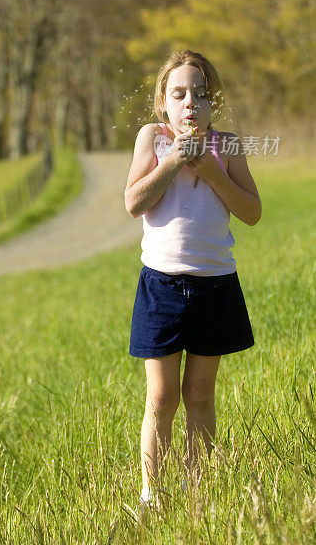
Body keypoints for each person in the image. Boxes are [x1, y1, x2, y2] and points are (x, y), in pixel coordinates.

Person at [123, 49, 261, 507]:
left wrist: (211, 171)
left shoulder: (229, 146)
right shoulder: (153, 138)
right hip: (162, 287)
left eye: (200, 95)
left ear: (212, 103)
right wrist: (172, 164)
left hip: (215, 284)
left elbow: (251, 212)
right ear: (163, 101)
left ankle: (198, 489)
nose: (190, 104)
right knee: (161, 398)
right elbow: (134, 201)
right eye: (179, 94)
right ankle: (152, 494)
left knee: (200, 393)